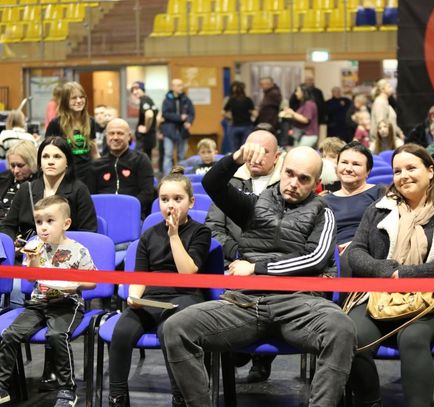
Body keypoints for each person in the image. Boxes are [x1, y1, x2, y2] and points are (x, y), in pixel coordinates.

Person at [163, 145, 355, 407]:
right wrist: (236, 158)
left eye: (304, 178)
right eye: (289, 173)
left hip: (299, 304)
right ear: (281, 170)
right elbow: (212, 184)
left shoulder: (323, 213)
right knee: (175, 328)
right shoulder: (254, 204)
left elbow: (315, 259)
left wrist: (257, 268)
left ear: (316, 183)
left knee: (342, 328)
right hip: (245, 303)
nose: (294, 183)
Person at [343, 143, 434, 407]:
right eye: (397, 171)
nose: (404, 176)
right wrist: (384, 269)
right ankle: (370, 401)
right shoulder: (379, 209)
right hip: (379, 294)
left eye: (411, 168)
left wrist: (408, 273)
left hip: (431, 298)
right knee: (348, 335)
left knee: (413, 338)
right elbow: (355, 251)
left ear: (430, 171)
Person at [108, 167, 211, 407]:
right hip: (152, 297)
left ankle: (180, 396)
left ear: (191, 202)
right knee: (122, 331)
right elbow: (140, 275)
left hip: (185, 296)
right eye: (164, 199)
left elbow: (188, 272)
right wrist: (134, 297)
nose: (170, 205)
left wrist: (174, 235)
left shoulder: (201, 232)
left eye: (177, 199)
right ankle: (117, 397)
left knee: (169, 331)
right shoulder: (149, 235)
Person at [0, 195, 97, 407]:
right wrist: (33, 259)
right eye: (39, 222)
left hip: (67, 302)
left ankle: (67, 389)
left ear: (66, 224)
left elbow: (93, 282)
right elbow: (30, 279)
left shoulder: (78, 250)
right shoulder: (34, 245)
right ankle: (2, 387)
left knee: (56, 335)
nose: (43, 227)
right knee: (10, 334)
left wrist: (76, 285)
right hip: (38, 303)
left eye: (50, 221)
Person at [204, 128, 282, 383]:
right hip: (231, 261)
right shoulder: (229, 182)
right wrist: (237, 253)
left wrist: (256, 261)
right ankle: (236, 345)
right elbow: (213, 228)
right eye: (251, 150)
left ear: (277, 157)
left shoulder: (286, 187)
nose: (256, 156)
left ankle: (261, 357)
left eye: (264, 152)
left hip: (269, 265)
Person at [0, 136, 97, 243]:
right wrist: (11, 244)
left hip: (66, 250)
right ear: (40, 162)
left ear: (67, 162)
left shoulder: (79, 190)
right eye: (45, 156)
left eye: (57, 156)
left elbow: (88, 231)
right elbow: (8, 226)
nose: (50, 162)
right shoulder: (26, 188)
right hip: (28, 249)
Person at [323, 141, 385, 253]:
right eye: (344, 162)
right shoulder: (325, 201)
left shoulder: (379, 192)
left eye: (356, 164)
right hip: (334, 253)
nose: (348, 168)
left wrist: (355, 244)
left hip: (369, 250)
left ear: (368, 171)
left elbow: (385, 229)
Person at [87, 118, 154, 218]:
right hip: (103, 215)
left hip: (132, 215)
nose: (115, 137)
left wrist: (125, 208)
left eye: (120, 133)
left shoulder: (141, 160)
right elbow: (91, 196)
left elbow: (147, 193)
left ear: (129, 136)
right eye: (111, 133)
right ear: (106, 136)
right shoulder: (96, 165)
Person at [45, 82, 99, 184]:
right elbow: (47, 154)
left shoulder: (90, 121)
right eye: (74, 98)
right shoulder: (56, 123)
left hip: (88, 175)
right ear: (65, 101)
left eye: (81, 97)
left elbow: (94, 152)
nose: (79, 101)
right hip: (65, 175)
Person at [161, 79, 195, 174]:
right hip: (169, 130)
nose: (181, 87)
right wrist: (179, 117)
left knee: (182, 155)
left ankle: (181, 175)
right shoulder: (167, 100)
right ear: (173, 87)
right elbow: (165, 114)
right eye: (178, 85)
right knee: (168, 154)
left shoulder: (186, 99)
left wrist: (189, 122)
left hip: (182, 130)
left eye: (181, 85)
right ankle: (167, 176)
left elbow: (191, 113)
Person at [0, 140, 38, 220]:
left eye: (20, 165)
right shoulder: (2, 178)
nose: (16, 171)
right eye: (12, 166)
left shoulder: (41, 183)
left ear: (32, 162)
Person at [280, 83, 319, 147]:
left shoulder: (309, 104)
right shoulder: (303, 103)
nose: (296, 93)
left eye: (298, 91)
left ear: (304, 92)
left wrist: (292, 113)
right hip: (302, 135)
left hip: (308, 136)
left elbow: (305, 119)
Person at [223, 81, 255, 151]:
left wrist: (230, 117)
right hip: (247, 126)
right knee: (246, 148)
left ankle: (235, 158)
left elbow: (224, 112)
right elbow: (254, 113)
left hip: (235, 126)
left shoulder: (231, 100)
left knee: (234, 149)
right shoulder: (247, 100)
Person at [131, 81, 158, 160]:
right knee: (147, 159)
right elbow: (158, 116)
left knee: (136, 158)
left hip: (144, 138)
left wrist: (146, 128)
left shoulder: (144, 100)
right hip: (150, 136)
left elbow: (149, 115)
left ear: (142, 89)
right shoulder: (149, 99)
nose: (134, 92)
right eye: (133, 90)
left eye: (137, 89)